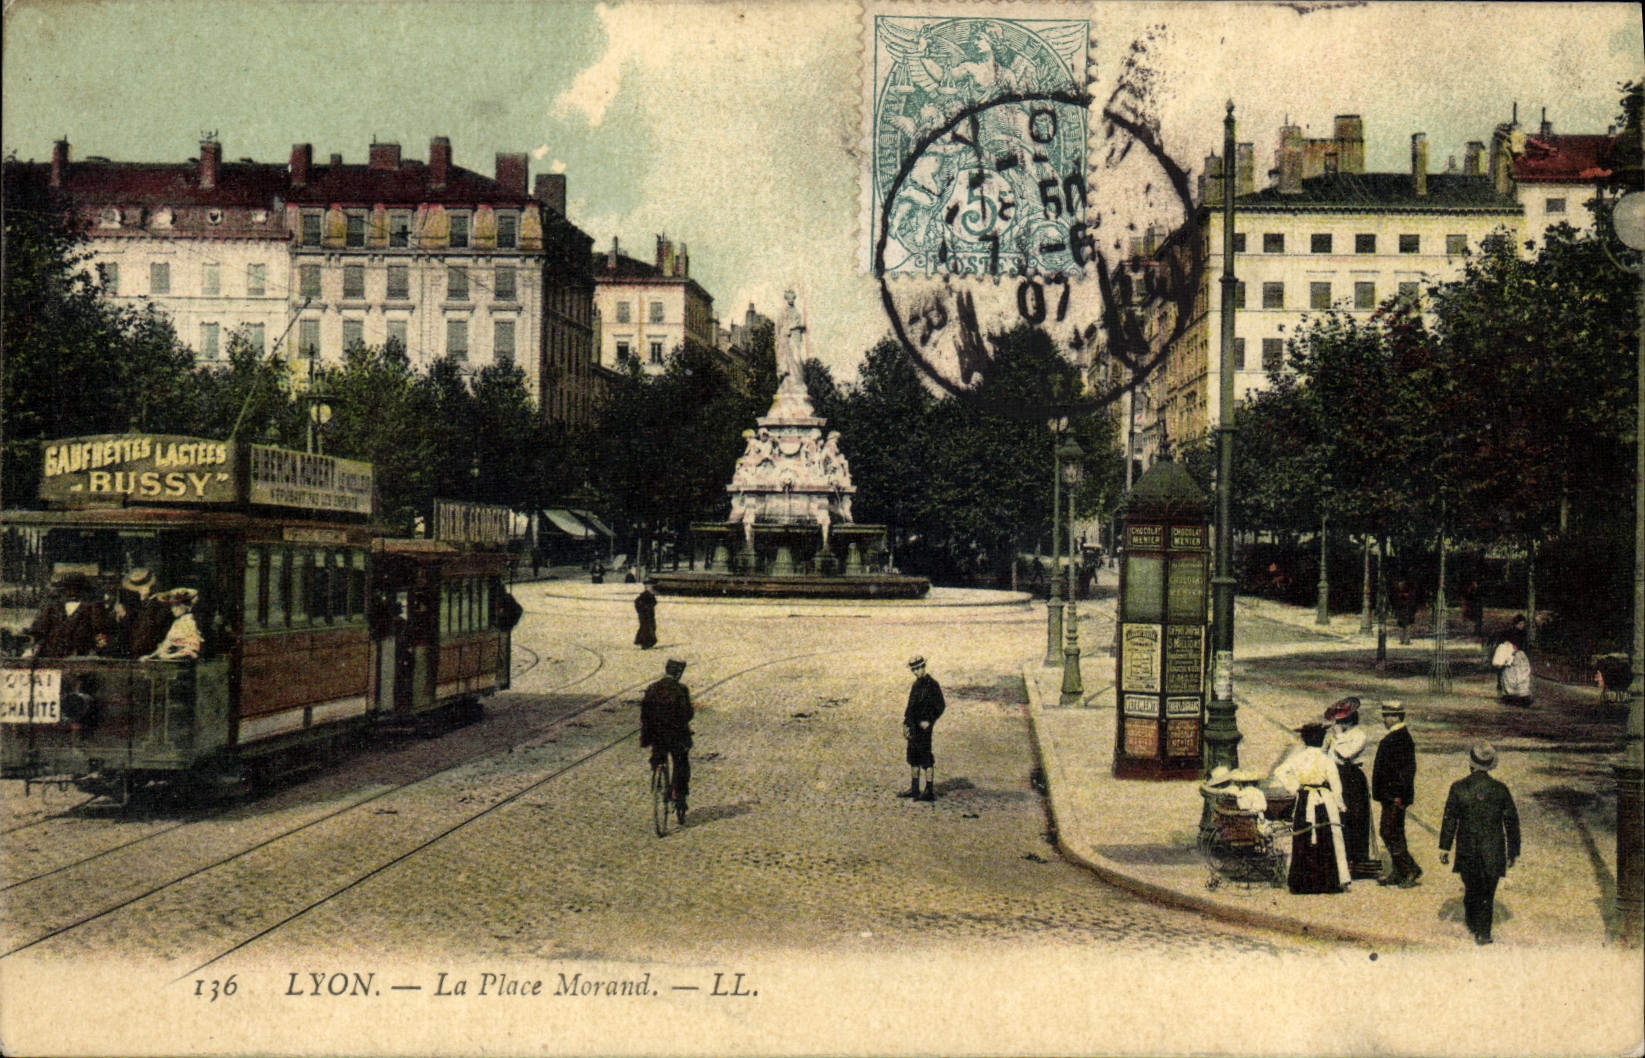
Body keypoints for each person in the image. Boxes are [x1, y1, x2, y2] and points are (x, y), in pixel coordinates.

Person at [1439, 742, 1521, 945]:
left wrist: (1444, 847)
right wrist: (1513, 851)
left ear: (1470, 763)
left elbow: (1450, 818)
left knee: (1472, 886)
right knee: (1488, 891)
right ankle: (1483, 932)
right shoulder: (1500, 790)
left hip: (1468, 850)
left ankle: (1473, 922)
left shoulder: (1458, 788)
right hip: (1493, 850)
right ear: (1491, 764)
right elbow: (1511, 821)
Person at [1272, 721, 1351, 894]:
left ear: (1304, 740)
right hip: (1324, 801)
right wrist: (1340, 805)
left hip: (1305, 800)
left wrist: (1294, 787)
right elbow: (1336, 785)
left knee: (1304, 838)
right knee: (1326, 837)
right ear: (1322, 740)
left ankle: (1303, 883)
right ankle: (1326, 882)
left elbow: (1279, 771)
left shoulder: (1298, 758)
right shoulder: (1326, 760)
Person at [1372, 699, 1422, 888]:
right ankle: (1398, 871)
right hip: (1391, 795)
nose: (1385, 720)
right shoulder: (1399, 736)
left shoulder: (1398, 738)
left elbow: (1406, 771)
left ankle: (1409, 869)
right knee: (1395, 832)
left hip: (1394, 796)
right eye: (1384, 716)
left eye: (1388, 716)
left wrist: (1399, 795)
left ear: (1397, 717)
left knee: (1388, 831)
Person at [639, 658, 693, 824]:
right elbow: (688, 714)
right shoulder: (681, 689)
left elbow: (644, 714)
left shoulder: (652, 688)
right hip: (676, 736)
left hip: (656, 735)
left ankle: (658, 778)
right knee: (681, 763)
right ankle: (679, 797)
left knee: (658, 754)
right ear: (678, 674)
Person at [1325, 697, 1374, 876]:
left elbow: (1345, 754)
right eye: (1338, 721)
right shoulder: (1335, 736)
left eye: (1342, 721)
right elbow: (1326, 756)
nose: (1338, 724)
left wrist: (1336, 737)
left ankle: (1357, 860)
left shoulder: (1359, 735)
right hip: (1336, 775)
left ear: (1351, 720)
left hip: (1352, 777)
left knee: (1355, 817)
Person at [24, 572, 110, 659]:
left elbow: (100, 632)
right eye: (68, 588)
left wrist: (101, 653)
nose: (72, 592)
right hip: (53, 658)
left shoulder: (93, 609)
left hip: (80, 659)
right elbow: (39, 631)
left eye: (76, 588)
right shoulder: (53, 608)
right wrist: (33, 650)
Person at [899, 655, 946, 802]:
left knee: (926, 757)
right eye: (913, 669)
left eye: (918, 668)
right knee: (913, 756)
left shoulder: (933, 685)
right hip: (913, 725)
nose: (916, 671)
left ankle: (929, 790)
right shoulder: (916, 685)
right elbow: (910, 706)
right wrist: (906, 723)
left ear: (923, 667)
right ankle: (914, 789)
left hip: (924, 727)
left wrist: (929, 721)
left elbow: (940, 705)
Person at [113, 567, 169, 658]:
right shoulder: (133, 604)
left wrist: (145, 602)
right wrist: (123, 616)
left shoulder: (159, 604)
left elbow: (149, 627)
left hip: (150, 649)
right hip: (134, 649)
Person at [144, 588, 202, 661]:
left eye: (177, 605)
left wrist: (168, 656)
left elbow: (191, 651)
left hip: (184, 663)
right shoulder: (177, 622)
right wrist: (150, 657)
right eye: (172, 606)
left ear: (185, 607)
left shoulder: (189, 622)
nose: (173, 609)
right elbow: (166, 644)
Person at [1492, 634, 1533, 707]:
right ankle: (1522, 697)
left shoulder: (1504, 646)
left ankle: (1514, 697)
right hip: (1518, 663)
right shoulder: (1513, 648)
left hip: (1513, 664)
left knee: (1511, 680)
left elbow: (1499, 662)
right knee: (1520, 679)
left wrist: (1501, 664)